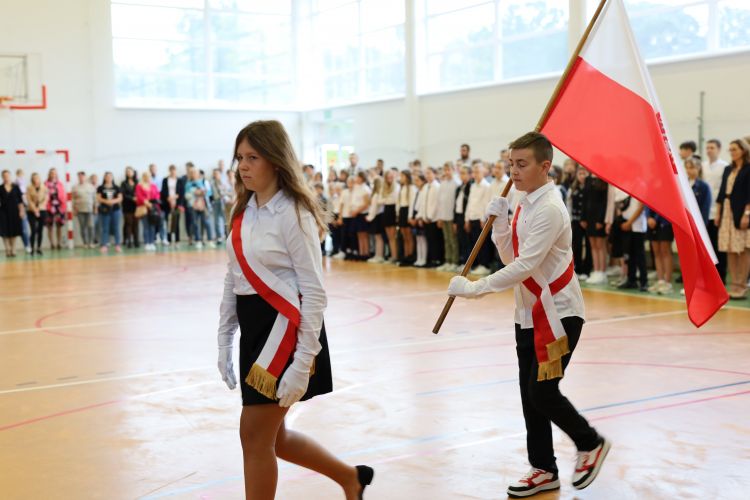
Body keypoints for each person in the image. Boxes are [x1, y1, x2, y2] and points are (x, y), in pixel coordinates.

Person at [217, 120, 373, 499]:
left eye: (252, 157)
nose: (243, 166)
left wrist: (303, 363)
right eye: (240, 158)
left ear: (275, 159)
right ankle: (350, 478)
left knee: (254, 436)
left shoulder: (293, 212)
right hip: (255, 330)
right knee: (276, 438)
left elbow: (314, 292)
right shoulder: (243, 209)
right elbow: (233, 277)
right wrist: (224, 340)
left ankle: (350, 478)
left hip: (286, 333)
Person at [448, 132, 610, 498]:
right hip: (527, 312)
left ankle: (590, 442)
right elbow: (512, 257)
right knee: (529, 394)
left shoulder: (550, 208)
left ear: (545, 166)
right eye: (511, 164)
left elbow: (524, 266)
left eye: (522, 164)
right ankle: (543, 469)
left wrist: (474, 288)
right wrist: (501, 226)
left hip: (557, 314)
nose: (514, 172)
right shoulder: (524, 201)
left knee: (542, 391)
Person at [715, 139, 750, 299]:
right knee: (729, 248)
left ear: (743, 150)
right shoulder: (728, 169)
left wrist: (746, 214)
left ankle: (742, 284)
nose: (732, 152)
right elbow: (722, 193)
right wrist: (718, 213)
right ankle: (734, 283)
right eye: (730, 150)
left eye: (734, 149)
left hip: (741, 211)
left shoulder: (748, 169)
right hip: (727, 211)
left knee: (742, 249)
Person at [704, 139, 729, 282]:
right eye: (707, 147)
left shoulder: (724, 166)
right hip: (704, 212)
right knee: (707, 246)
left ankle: (720, 276)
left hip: (718, 212)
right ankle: (709, 276)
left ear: (719, 149)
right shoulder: (703, 166)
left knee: (718, 246)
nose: (709, 150)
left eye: (712, 147)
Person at [464, 162, 492, 276]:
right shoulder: (473, 185)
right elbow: (470, 203)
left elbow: (485, 203)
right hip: (472, 217)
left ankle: (485, 265)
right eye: (474, 172)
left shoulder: (486, 186)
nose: (475, 174)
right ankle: (478, 264)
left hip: (480, 219)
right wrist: (467, 219)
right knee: (474, 242)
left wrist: (482, 218)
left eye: (478, 172)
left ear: (483, 172)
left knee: (482, 243)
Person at [581, 174, 608, 284]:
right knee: (592, 245)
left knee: (600, 245)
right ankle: (596, 270)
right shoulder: (588, 179)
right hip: (589, 216)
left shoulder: (603, 179)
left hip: (599, 217)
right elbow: (585, 199)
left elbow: (605, 202)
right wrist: (583, 217)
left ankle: (602, 272)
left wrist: (601, 220)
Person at [567, 166, 591, 279]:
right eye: (580, 174)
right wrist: (570, 219)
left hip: (587, 221)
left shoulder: (590, 188)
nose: (582, 176)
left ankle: (587, 270)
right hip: (576, 221)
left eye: (584, 173)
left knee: (588, 245)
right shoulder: (573, 188)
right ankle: (577, 268)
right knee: (576, 245)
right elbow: (569, 205)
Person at [645, 207, 674, 294]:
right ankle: (660, 280)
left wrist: (655, 219)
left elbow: (664, 205)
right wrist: (648, 217)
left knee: (665, 251)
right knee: (656, 252)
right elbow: (647, 205)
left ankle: (667, 283)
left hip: (665, 221)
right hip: (652, 223)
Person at [436, 162, 459, 272]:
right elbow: (440, 201)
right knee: (446, 239)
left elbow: (456, 202)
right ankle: (447, 261)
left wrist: (455, 219)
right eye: (445, 170)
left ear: (453, 170)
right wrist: (440, 217)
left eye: (449, 170)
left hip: (452, 216)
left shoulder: (456, 183)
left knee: (453, 240)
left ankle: (454, 261)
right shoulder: (443, 183)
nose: (447, 172)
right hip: (444, 216)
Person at [97, 172, 123, 253]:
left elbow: (120, 198)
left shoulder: (117, 187)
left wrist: (112, 201)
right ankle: (104, 245)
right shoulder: (100, 188)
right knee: (105, 228)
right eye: (107, 176)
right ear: (104, 178)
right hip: (104, 210)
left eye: (110, 176)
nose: (108, 178)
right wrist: (107, 201)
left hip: (115, 210)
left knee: (116, 228)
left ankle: (117, 245)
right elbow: (99, 198)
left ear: (112, 178)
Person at [0, 170, 25, 257]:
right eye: (4, 176)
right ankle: (7, 248)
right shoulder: (0, 188)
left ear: (10, 176)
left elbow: (20, 201)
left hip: (14, 211)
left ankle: (13, 248)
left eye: (7, 175)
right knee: (4, 230)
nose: (6, 177)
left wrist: (21, 211)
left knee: (14, 230)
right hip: (3, 212)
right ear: (2, 177)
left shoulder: (16, 187)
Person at [136, 171, 161, 251]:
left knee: (152, 226)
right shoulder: (139, 186)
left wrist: (152, 203)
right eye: (146, 176)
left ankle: (152, 242)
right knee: (146, 226)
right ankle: (147, 243)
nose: (148, 178)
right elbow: (139, 196)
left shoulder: (153, 186)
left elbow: (157, 195)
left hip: (153, 208)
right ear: (143, 177)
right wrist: (146, 202)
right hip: (144, 208)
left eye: (149, 176)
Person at [397, 170, 417, 265]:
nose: (401, 178)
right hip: (402, 210)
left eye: (402, 176)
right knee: (404, 236)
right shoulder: (402, 187)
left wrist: (410, 216)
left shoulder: (412, 188)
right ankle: (405, 256)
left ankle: (410, 256)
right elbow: (399, 202)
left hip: (408, 210)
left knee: (409, 236)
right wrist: (398, 213)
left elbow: (412, 203)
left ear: (407, 177)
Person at [72, 171, 96, 249]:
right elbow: (73, 199)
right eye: (79, 176)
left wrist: (95, 208)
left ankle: (91, 242)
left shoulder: (91, 186)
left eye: (82, 176)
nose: (81, 178)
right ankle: (85, 243)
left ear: (85, 177)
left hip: (89, 209)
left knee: (91, 226)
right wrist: (74, 209)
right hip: (80, 210)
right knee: (83, 227)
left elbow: (94, 198)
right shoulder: (75, 187)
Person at [26, 173, 48, 255]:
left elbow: (46, 199)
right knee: (33, 230)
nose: (36, 179)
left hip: (42, 210)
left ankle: (39, 247)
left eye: (37, 178)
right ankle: (32, 248)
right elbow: (29, 200)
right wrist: (35, 210)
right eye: (34, 178)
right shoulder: (29, 188)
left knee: (40, 230)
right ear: (32, 179)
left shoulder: (44, 187)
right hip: (31, 211)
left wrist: (39, 209)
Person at [350, 172, 371, 260]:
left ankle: (366, 253)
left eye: (358, 177)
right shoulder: (356, 187)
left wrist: (356, 211)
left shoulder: (365, 189)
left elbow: (366, 204)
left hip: (362, 213)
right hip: (356, 213)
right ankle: (361, 252)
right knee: (359, 234)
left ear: (362, 178)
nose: (356, 179)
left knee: (364, 234)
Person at [380, 169, 399, 263]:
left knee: (393, 236)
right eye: (387, 177)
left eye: (391, 177)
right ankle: (392, 255)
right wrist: (387, 199)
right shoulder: (383, 187)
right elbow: (380, 200)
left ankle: (395, 256)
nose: (389, 179)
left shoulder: (397, 187)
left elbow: (395, 199)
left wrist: (386, 199)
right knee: (389, 236)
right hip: (386, 210)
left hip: (393, 210)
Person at [44, 168, 67, 250]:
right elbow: (44, 196)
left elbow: (63, 196)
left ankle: (59, 243)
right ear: (49, 174)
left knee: (59, 226)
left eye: (54, 173)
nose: (53, 174)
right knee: (49, 226)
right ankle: (52, 243)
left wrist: (63, 207)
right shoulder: (45, 184)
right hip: (49, 207)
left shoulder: (60, 184)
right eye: (51, 173)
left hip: (59, 207)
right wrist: (47, 206)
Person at [161, 164, 183, 245]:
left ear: (175, 171)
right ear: (169, 171)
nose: (173, 172)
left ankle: (177, 240)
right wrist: (168, 198)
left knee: (176, 222)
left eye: (174, 170)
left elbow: (181, 192)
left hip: (177, 203)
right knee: (168, 222)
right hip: (167, 203)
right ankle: (169, 239)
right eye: (171, 170)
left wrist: (176, 198)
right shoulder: (165, 180)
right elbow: (163, 191)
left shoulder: (180, 180)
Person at [121, 166, 140, 248]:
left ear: (133, 172)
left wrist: (137, 198)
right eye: (127, 171)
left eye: (130, 171)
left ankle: (136, 241)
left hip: (137, 206)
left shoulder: (138, 182)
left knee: (136, 224)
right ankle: (128, 241)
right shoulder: (123, 183)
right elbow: (123, 194)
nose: (129, 173)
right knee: (128, 223)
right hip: (127, 206)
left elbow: (140, 192)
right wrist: (132, 198)